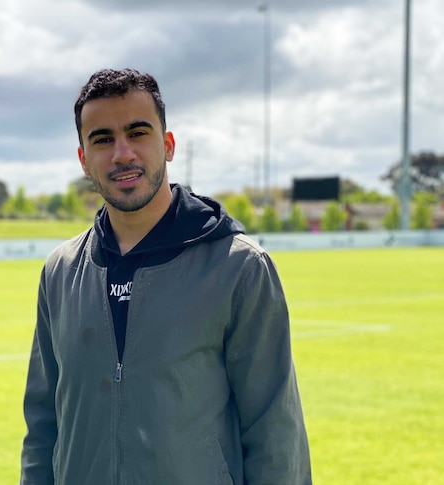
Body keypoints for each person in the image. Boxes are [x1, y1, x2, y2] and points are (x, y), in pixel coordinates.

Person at [20, 68, 311, 484]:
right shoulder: (61, 272)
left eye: (138, 133)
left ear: (168, 145)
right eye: (102, 139)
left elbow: (276, 434)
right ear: (83, 158)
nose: (122, 154)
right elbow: (43, 427)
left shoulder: (239, 267)